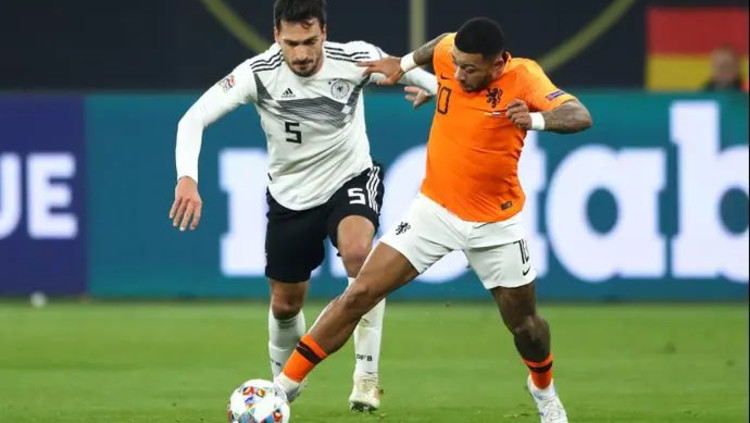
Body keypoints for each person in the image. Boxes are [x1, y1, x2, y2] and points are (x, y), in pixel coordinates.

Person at [273, 17, 592, 423]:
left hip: (496, 224)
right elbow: (441, 42)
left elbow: (579, 115)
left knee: (526, 327)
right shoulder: (450, 56)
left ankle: (544, 391)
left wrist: (537, 120)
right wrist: (404, 63)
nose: (457, 74)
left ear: (497, 64)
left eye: (469, 68)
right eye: (455, 64)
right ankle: (283, 388)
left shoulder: (524, 77)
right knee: (359, 293)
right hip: (434, 210)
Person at [168, 0, 437, 412]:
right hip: (291, 198)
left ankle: (366, 376)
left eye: (310, 41)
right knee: (285, 304)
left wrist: (435, 89)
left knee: (360, 256)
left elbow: (409, 69)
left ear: (324, 33)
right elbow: (193, 119)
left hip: (350, 178)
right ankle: (283, 393)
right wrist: (187, 176)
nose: (302, 54)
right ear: (277, 36)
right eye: (292, 43)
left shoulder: (355, 59)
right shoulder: (257, 73)